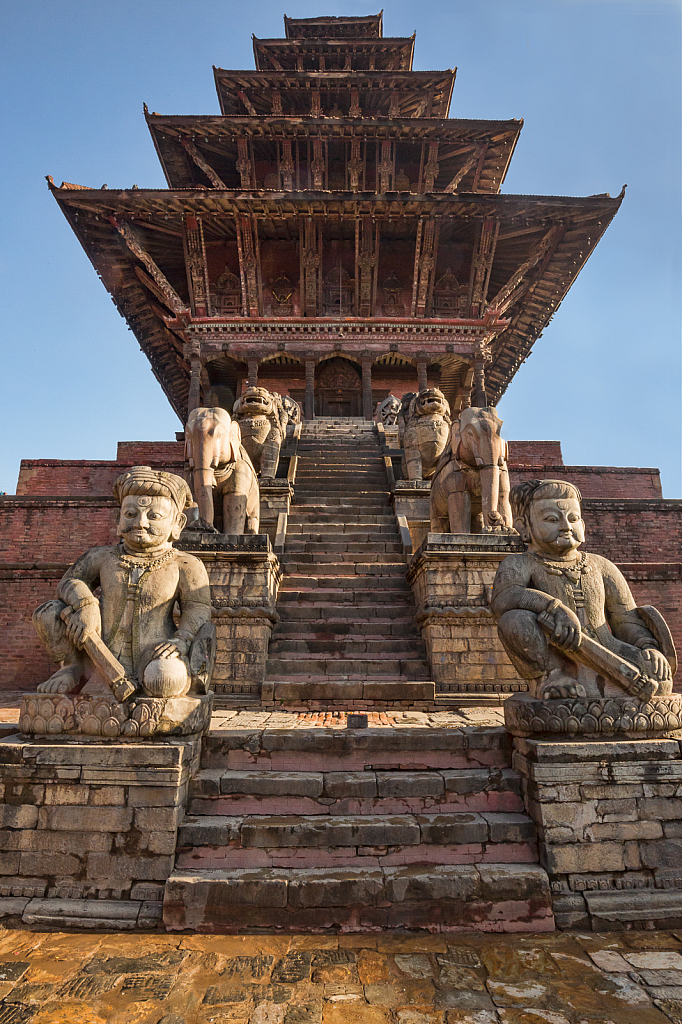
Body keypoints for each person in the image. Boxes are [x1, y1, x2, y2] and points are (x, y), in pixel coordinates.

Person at [33, 466, 212, 698]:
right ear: (118, 520)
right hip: (96, 651)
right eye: (130, 514)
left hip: (156, 654)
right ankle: (72, 668)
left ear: (177, 523)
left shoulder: (186, 564)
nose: (140, 522)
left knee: (165, 679)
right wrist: (86, 603)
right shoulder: (102, 556)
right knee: (48, 612)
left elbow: (198, 608)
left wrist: (182, 640)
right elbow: (70, 581)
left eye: (154, 516)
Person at [491, 479, 673, 700]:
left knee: (659, 678)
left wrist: (647, 648)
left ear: (583, 526)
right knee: (514, 619)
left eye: (573, 518)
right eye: (551, 519)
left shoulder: (601, 565)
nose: (566, 526)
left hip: (608, 651)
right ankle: (550, 678)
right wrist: (553, 607)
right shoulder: (519, 564)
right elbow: (504, 598)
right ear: (524, 526)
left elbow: (626, 619)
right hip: (559, 656)